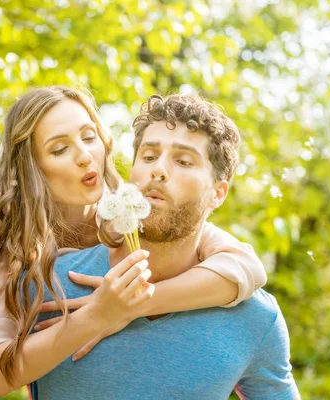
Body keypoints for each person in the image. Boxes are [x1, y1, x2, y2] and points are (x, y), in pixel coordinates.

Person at [0, 87, 267, 399]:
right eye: (60, 149)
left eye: (89, 137)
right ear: (32, 167)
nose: (84, 157)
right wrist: (97, 314)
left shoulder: (128, 208)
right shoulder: (9, 244)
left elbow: (245, 266)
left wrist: (137, 304)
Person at [27, 93, 300, 399]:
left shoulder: (255, 319)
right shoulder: (50, 284)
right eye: (148, 157)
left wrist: (136, 303)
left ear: (218, 194)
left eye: (183, 161)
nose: (158, 170)